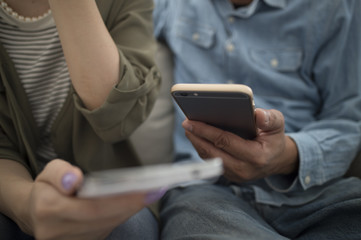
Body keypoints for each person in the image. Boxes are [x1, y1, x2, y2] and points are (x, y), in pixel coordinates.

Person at [153, 0, 361, 239]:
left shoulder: (336, 7)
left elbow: (346, 119)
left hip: (313, 194)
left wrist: (286, 155)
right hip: (205, 191)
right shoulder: (172, 4)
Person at [0, 0, 163, 239]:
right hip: (9, 192)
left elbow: (119, 119)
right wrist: (27, 206)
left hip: (107, 188)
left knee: (128, 228)